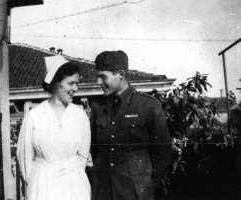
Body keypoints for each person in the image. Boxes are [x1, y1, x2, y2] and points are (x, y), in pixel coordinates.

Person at [90, 50, 172, 200]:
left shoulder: (148, 106)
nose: (98, 83)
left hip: (136, 194)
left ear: (120, 74)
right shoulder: (97, 107)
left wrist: (144, 185)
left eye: (103, 77)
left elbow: (163, 154)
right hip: (103, 192)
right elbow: (95, 150)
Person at [17, 55, 91, 200]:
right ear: (57, 83)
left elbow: (83, 155)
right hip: (43, 185)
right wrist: (35, 180)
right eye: (71, 83)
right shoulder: (35, 116)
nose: (75, 89)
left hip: (74, 185)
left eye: (77, 84)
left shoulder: (79, 115)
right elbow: (24, 157)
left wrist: (70, 173)